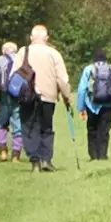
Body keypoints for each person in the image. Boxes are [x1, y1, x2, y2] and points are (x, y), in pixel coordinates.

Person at [17, 23, 72, 172]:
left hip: (28, 96)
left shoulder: (23, 52)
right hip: (49, 96)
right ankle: (46, 160)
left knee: (29, 127)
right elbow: (62, 79)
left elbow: (14, 75)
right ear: (47, 38)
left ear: (31, 37)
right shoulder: (53, 53)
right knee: (47, 128)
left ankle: (35, 161)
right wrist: (67, 96)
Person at [74, 46, 111, 161]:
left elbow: (82, 89)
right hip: (108, 105)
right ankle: (102, 155)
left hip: (91, 105)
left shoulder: (88, 69)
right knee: (104, 131)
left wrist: (81, 107)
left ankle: (93, 156)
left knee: (92, 129)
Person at [0, 41, 26, 163]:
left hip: (4, 96)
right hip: (19, 96)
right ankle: (16, 154)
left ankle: (3, 150)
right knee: (18, 125)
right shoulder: (22, 60)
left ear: (3, 51)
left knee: (1, 123)